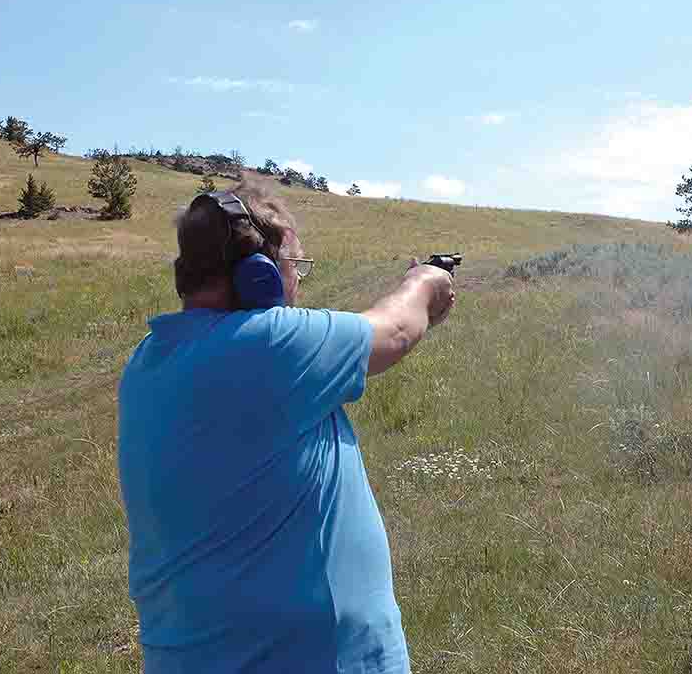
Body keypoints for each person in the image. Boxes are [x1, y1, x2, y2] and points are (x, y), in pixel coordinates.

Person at [117, 181, 454, 673]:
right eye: (294, 267)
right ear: (259, 274)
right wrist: (425, 282)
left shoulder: (148, 362)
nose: (297, 285)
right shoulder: (267, 344)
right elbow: (397, 330)